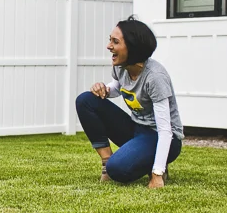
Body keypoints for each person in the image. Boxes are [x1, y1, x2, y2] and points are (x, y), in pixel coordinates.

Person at [75, 16, 184, 189]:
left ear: (132, 47)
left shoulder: (155, 77)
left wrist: (157, 174)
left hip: (162, 137)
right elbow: (119, 87)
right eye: (110, 40)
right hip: (137, 128)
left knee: (118, 170)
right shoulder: (121, 67)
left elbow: (165, 130)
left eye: (115, 42)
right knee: (86, 100)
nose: (109, 46)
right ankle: (106, 163)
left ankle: (155, 163)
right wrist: (104, 89)